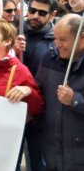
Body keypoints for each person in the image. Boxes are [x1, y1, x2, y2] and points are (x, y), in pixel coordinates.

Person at [14, 0, 59, 171]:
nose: (34, 16)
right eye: (32, 10)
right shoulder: (15, 32)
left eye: (41, 13)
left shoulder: (57, 41)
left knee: (38, 162)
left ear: (52, 15)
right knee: (9, 160)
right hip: (13, 106)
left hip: (41, 113)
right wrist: (12, 49)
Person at [35, 14, 84, 171]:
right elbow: (38, 90)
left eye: (62, 40)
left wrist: (75, 100)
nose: (57, 44)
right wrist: (26, 90)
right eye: (55, 38)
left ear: (81, 39)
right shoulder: (49, 58)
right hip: (52, 153)